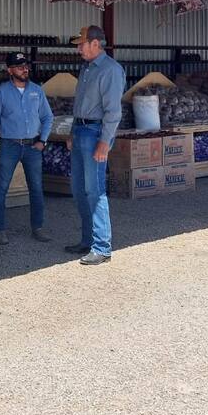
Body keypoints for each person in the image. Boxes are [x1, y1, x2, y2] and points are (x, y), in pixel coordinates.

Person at [66, 25, 126, 265]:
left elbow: (113, 111)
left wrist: (105, 141)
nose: (79, 48)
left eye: (82, 44)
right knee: (79, 189)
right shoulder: (87, 69)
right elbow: (79, 104)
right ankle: (88, 240)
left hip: (95, 133)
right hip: (81, 130)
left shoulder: (110, 70)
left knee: (95, 190)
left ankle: (102, 247)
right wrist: (72, 131)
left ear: (95, 44)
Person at [0, 52, 53, 245]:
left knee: (37, 188)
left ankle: (38, 227)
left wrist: (43, 140)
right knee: (1, 188)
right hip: (9, 145)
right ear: (10, 70)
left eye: (25, 66)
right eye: (19, 67)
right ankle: (0, 230)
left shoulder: (36, 91)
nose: (24, 69)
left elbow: (48, 117)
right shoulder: (2, 92)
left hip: (33, 145)